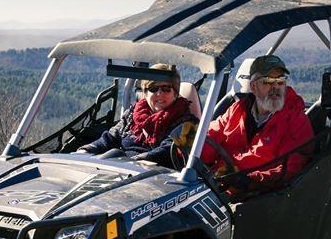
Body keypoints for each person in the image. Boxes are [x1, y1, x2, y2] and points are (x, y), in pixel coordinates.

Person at [202, 54, 314, 187]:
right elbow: (210, 137)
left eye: (280, 81)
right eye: (267, 81)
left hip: (257, 196)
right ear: (253, 87)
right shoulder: (237, 110)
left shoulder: (295, 119)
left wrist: (247, 180)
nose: (275, 87)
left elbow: (290, 168)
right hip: (218, 187)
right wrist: (191, 143)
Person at [79, 63, 198, 167]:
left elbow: (166, 152)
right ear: (145, 93)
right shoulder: (132, 115)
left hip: (156, 177)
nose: (159, 93)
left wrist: (129, 162)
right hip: (121, 170)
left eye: (166, 88)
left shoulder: (187, 123)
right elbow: (110, 138)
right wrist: (87, 150)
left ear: (176, 93)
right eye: (153, 88)